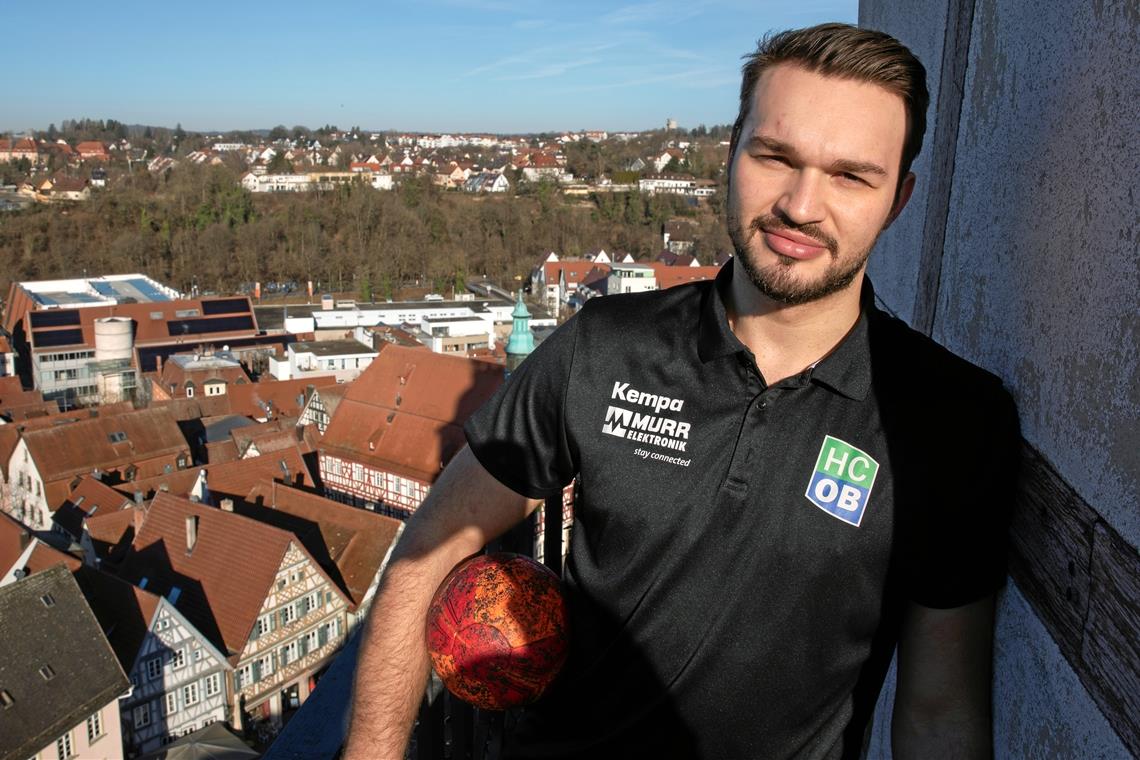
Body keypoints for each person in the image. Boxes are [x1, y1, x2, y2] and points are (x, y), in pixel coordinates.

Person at [345, 22, 1019, 760]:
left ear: (898, 199)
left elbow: (939, 717)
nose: (801, 205)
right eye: (775, 157)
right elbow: (427, 553)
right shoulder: (604, 346)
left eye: (850, 175)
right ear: (732, 154)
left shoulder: (953, 421)